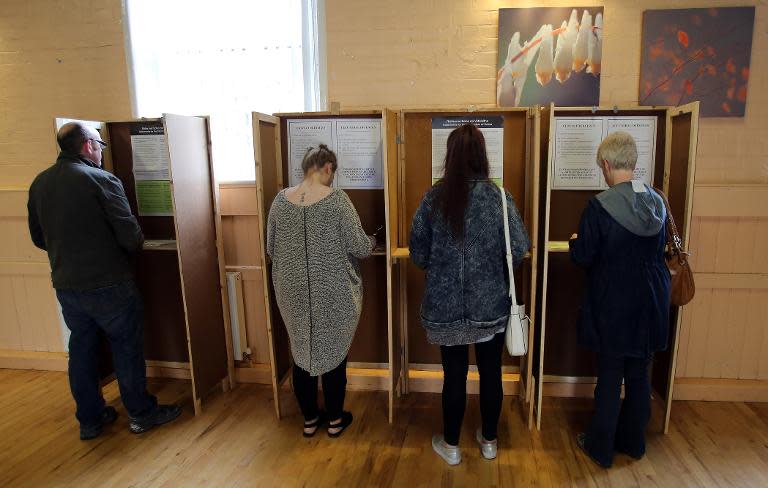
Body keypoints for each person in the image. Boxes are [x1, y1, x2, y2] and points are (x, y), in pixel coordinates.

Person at [27, 122, 181, 440]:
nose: (101, 151)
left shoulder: (40, 183)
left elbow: (38, 237)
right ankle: (141, 413)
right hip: (110, 283)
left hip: (67, 285)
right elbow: (131, 237)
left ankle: (91, 420)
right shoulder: (102, 180)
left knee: (81, 349)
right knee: (125, 347)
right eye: (100, 145)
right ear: (88, 146)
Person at [409, 124, 530, 465]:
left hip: (445, 310)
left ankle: (451, 447)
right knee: (491, 372)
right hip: (489, 306)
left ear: (450, 157)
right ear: (482, 156)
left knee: (454, 375)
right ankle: (489, 442)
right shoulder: (500, 199)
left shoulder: (433, 198)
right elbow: (519, 247)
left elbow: (418, 254)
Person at [569, 131, 671, 468]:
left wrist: (574, 241)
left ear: (607, 164)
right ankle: (634, 443)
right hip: (652, 301)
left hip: (615, 302)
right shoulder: (657, 201)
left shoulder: (600, 206)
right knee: (640, 374)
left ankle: (600, 447)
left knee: (611, 376)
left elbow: (584, 256)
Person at [267, 144, 374, 438]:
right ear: (328, 168)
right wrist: (374, 240)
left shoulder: (279, 201)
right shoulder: (338, 201)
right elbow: (360, 247)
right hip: (333, 291)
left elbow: (270, 247)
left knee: (301, 352)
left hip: (291, 292)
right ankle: (336, 420)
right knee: (334, 356)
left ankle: (310, 419)